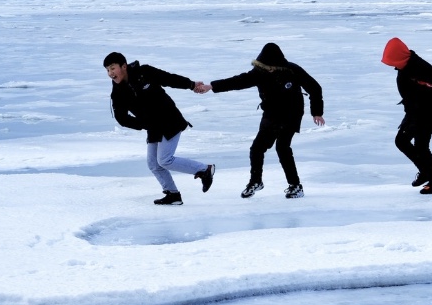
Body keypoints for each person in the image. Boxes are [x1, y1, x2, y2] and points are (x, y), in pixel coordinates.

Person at [195, 43, 325, 199]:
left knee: (282, 147)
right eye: (266, 66)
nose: (269, 69)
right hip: (271, 114)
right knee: (256, 148)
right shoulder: (259, 73)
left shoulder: (293, 70)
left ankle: (295, 186)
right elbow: (238, 81)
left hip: (292, 113)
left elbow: (315, 88)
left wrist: (316, 112)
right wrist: (211, 86)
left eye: (272, 67)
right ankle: (256, 181)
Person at [103, 51, 214, 205]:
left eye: (112, 68)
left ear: (123, 66)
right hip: (153, 127)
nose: (110, 73)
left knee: (165, 160)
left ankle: (204, 169)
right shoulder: (118, 92)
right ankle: (173, 194)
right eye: (107, 70)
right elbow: (121, 118)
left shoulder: (145, 72)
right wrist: (144, 124)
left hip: (170, 119)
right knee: (153, 164)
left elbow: (169, 79)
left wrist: (191, 84)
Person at [381, 37, 432, 194]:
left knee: (404, 142)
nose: (392, 65)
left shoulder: (421, 68)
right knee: (418, 146)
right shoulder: (405, 65)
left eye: (392, 61)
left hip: (425, 113)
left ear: (399, 57)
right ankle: (431, 179)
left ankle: (431, 178)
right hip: (414, 112)